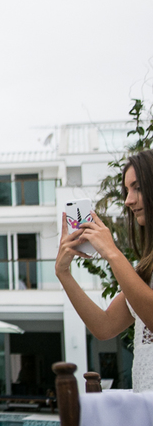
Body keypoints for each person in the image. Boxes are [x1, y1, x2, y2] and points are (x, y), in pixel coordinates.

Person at [57, 149, 153, 391]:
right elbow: (104, 326)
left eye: (138, 188)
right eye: (127, 191)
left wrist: (112, 253)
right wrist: (63, 273)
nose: (128, 200)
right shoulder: (146, 268)